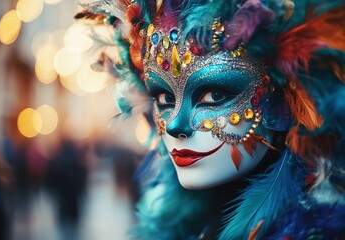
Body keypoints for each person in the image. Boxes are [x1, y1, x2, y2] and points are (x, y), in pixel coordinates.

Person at [77, 0, 345, 239]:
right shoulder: (178, 226)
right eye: (163, 99)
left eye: (215, 94)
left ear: (286, 95)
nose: (174, 125)